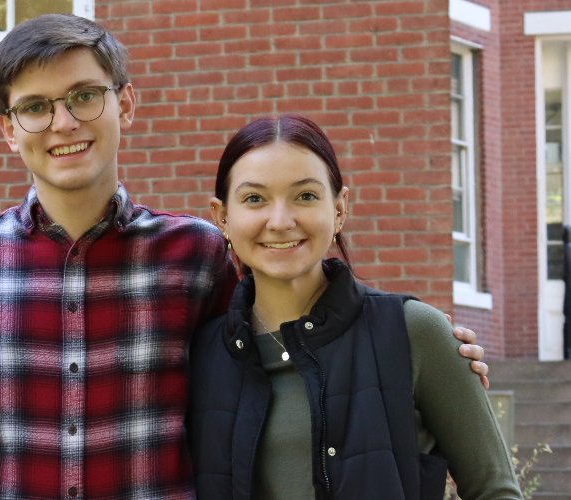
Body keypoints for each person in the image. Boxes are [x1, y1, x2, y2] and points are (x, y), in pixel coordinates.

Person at [0, 13, 490, 499]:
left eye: (83, 96)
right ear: (8, 129)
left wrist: (412, 349)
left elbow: (287, 322)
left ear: (124, 103)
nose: (63, 123)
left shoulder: (196, 254)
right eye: (35, 107)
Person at [187, 115, 520, 499]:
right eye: (254, 199)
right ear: (222, 217)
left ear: (340, 209)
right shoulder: (199, 353)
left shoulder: (413, 332)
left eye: (305, 196)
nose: (280, 221)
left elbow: (495, 491)